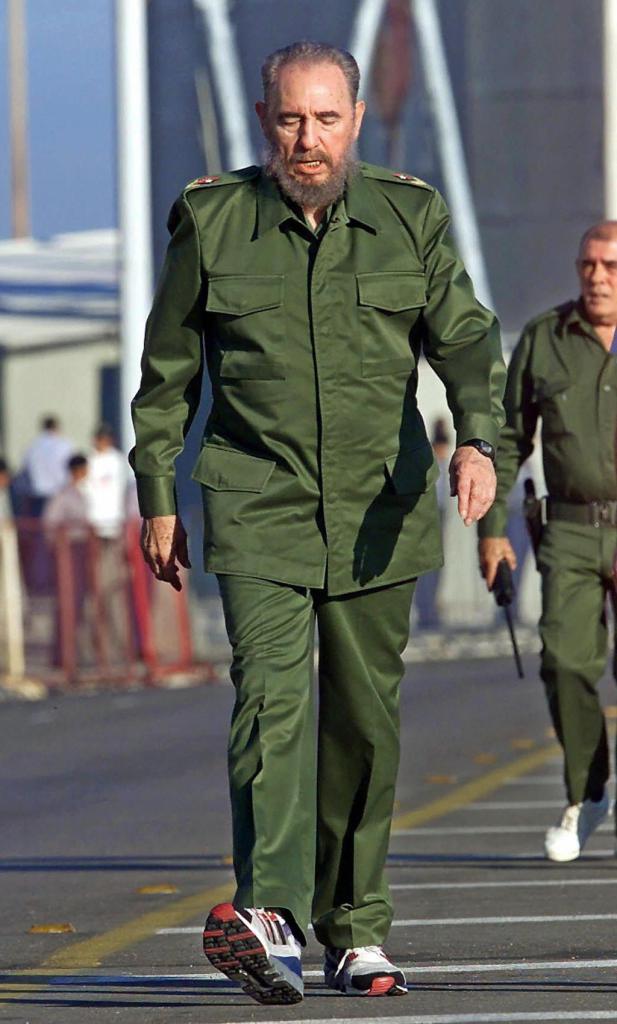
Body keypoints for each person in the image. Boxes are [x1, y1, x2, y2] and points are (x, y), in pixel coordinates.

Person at [130, 41, 505, 1004]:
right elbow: (167, 375)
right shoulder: (213, 222)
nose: (308, 138)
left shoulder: (409, 217)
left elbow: (465, 342)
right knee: (271, 708)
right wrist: (159, 497)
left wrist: (477, 443)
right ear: (265, 121)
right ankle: (273, 920)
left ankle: (356, 930)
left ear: (354, 122)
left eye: (326, 118)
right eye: (291, 119)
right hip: (257, 502)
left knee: (364, 724)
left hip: (379, 509)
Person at [478, 221, 617, 864]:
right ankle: (588, 795)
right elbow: (509, 440)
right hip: (566, 528)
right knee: (564, 662)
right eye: (588, 265)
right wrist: (491, 533)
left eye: (610, 266)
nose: (597, 277)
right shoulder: (544, 338)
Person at [20, 415, 74, 516]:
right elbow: (72, 470)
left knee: (40, 529)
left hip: (38, 497)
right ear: (57, 427)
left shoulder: (32, 447)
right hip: (59, 495)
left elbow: (25, 471)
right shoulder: (64, 445)